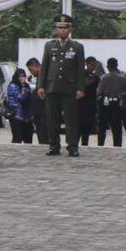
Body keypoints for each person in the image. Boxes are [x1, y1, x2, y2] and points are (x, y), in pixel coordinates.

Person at [37, 15, 86, 157]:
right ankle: (53, 145)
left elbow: (80, 70)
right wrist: (41, 85)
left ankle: (72, 146)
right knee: (52, 119)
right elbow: (44, 67)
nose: (62, 30)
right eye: (60, 28)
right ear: (56, 29)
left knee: (71, 120)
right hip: (52, 87)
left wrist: (80, 88)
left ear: (70, 29)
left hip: (69, 88)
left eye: (65, 28)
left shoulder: (77, 47)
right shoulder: (49, 45)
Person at [97, 58, 126, 147]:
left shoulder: (105, 77)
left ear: (108, 67)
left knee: (103, 126)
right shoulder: (122, 77)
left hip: (107, 101)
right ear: (116, 65)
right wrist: (121, 94)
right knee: (117, 127)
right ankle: (118, 145)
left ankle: (100, 144)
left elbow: (98, 92)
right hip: (118, 102)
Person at [4, 68, 35, 144]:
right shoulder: (13, 86)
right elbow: (21, 98)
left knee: (28, 138)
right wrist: (24, 88)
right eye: (20, 76)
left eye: (23, 76)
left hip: (26, 115)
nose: (22, 78)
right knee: (17, 138)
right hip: (16, 115)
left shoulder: (26, 86)